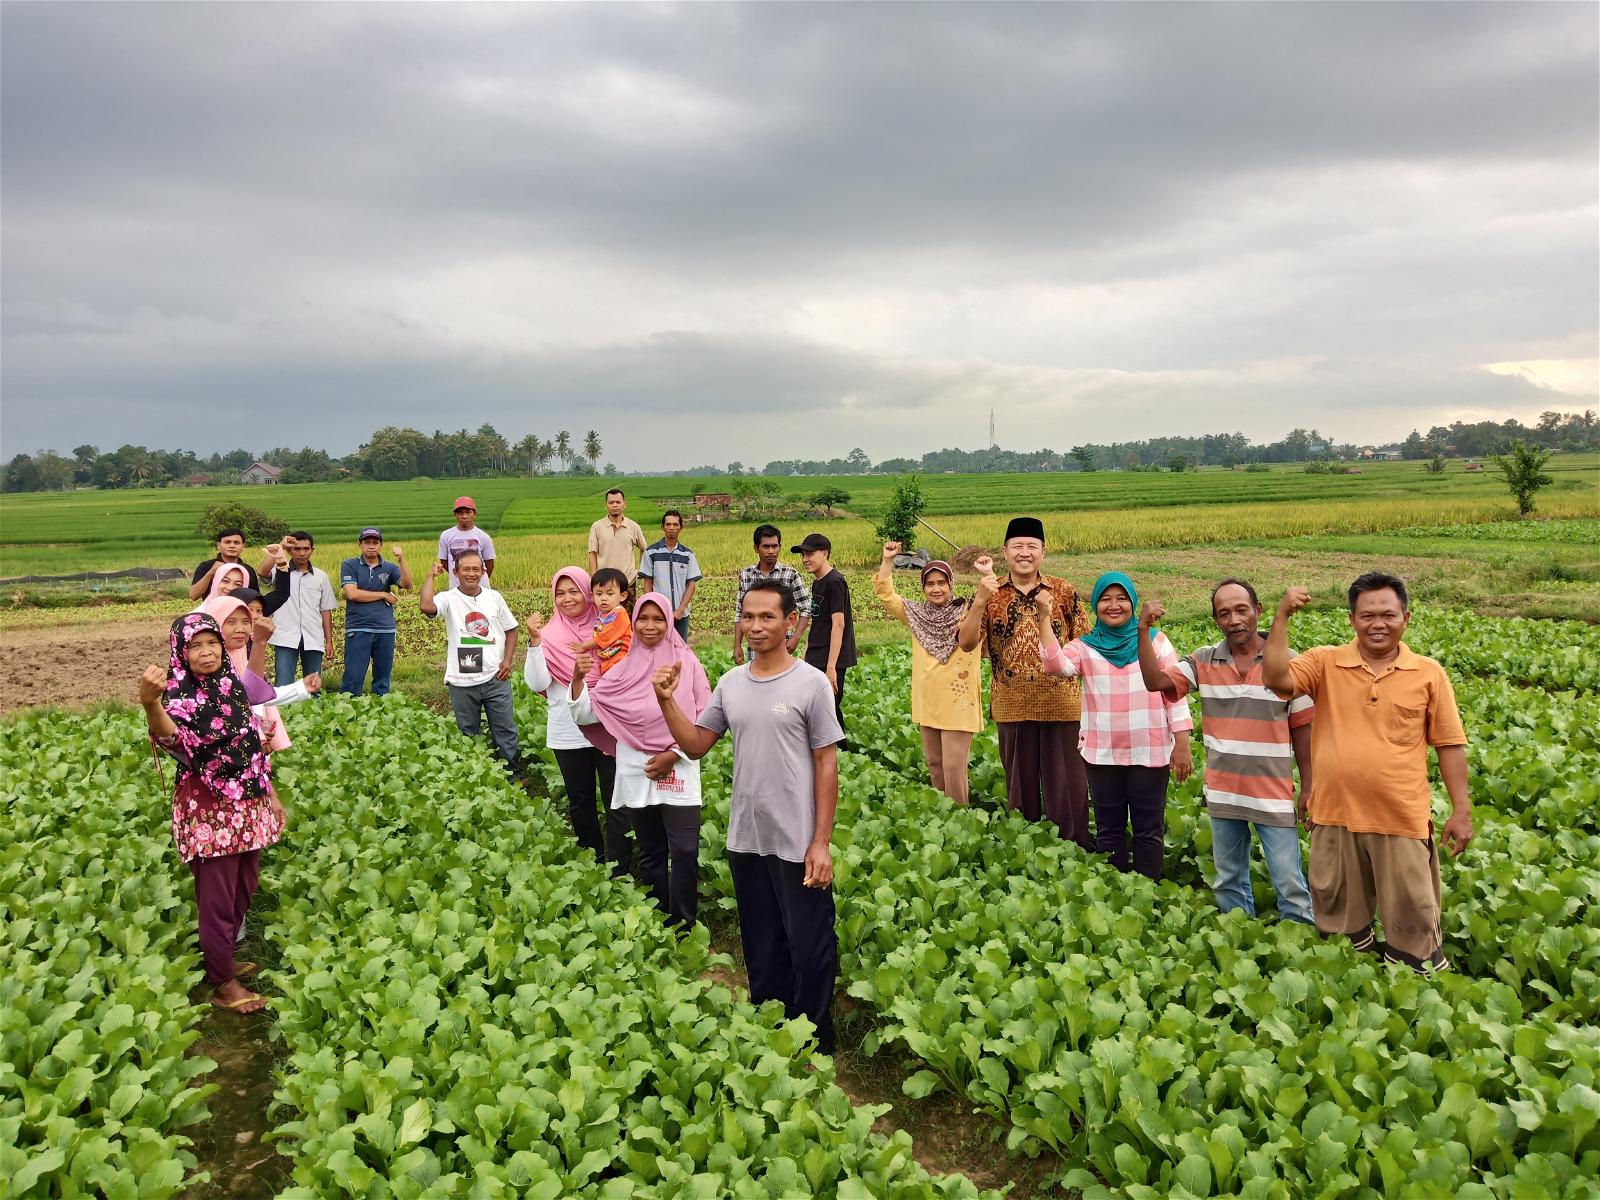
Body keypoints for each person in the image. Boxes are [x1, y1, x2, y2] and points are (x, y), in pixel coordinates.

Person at [654, 578, 843, 1054]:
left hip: (796, 838)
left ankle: (815, 1035)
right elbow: (696, 745)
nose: (755, 627)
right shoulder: (731, 683)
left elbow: (827, 763)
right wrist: (665, 701)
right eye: (749, 617)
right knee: (760, 937)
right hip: (746, 837)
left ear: (790, 624)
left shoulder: (811, 684)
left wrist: (820, 841)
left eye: (767, 617)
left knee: (809, 941)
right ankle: (771, 1019)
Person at [1264, 572, 1472, 973]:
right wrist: (1282, 617)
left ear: (1406, 619)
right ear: (1352, 620)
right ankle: (1350, 990)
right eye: (1367, 615)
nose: (1378, 624)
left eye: (1388, 615)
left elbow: (1449, 745)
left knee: (1413, 914)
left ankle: (1411, 986)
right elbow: (1275, 678)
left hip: (1400, 817)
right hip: (1335, 815)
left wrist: (1460, 811)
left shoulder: (1428, 673)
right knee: (1337, 912)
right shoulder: (1326, 662)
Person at [1137, 579, 1316, 924]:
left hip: (1273, 793)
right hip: (1224, 791)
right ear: (1216, 620)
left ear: (1258, 611)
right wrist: (1143, 630)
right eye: (1224, 613)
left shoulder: (1288, 663)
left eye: (1241, 610)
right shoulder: (1204, 661)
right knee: (1229, 880)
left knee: (1289, 882)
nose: (1233, 619)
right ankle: (1239, 938)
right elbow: (1156, 682)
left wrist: (1309, 785)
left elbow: (1304, 729)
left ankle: (1300, 938)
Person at [139, 613, 283, 1013]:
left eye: (212, 643)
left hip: (247, 806)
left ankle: (222, 958)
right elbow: (170, 738)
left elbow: (250, 743)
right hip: (209, 811)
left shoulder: (229, 686)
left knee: (244, 887)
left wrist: (268, 791)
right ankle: (223, 984)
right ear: (180, 653)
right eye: (195, 646)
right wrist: (150, 702)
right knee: (218, 900)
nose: (206, 653)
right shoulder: (177, 696)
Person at [1036, 573, 1193, 880]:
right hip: (1103, 754)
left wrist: (1182, 743)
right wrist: (1044, 618)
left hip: (1150, 752)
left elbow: (1174, 694)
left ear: (1133, 603)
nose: (1114, 605)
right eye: (1106, 599)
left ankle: (1149, 891)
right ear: (1096, 605)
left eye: (1122, 598)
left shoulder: (1155, 642)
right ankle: (1116, 891)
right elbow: (1055, 666)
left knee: (1149, 830)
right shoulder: (1085, 647)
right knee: (1109, 830)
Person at [568, 592, 711, 928]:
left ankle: (685, 923)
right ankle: (662, 918)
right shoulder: (622, 667)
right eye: (643, 619)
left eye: (658, 618)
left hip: (679, 769)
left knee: (685, 850)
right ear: (633, 623)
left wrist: (673, 754)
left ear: (669, 621)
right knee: (650, 852)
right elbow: (588, 712)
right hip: (638, 771)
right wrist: (577, 678)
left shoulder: (685, 663)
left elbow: (705, 717)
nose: (650, 626)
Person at [956, 517, 1094, 847]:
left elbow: (1086, 644)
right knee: (1021, 789)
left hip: (1062, 706)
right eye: (1017, 546)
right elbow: (965, 642)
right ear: (1005, 552)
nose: (1025, 553)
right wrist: (978, 601)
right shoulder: (990, 592)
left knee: (1069, 792)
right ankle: (1027, 851)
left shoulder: (1063, 591)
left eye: (1032, 546)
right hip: (1011, 706)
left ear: (1043, 552)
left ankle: (1074, 850)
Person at [523, 568, 631, 872]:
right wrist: (534, 642)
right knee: (581, 802)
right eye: (560, 592)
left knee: (617, 800)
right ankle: (592, 863)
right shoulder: (549, 635)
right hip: (567, 730)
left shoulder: (611, 628)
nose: (567, 598)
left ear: (588, 592)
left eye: (574, 591)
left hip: (610, 725)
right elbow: (536, 683)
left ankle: (621, 867)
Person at [872, 541, 983, 804]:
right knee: (934, 764)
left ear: (950, 585)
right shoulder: (916, 614)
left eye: (941, 583)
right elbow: (886, 594)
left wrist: (986, 576)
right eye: (930, 584)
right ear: (923, 588)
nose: (936, 589)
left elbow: (988, 603)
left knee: (954, 768)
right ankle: (942, 816)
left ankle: (961, 822)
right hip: (928, 700)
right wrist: (888, 560)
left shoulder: (966, 613)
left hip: (958, 700)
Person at [420, 550, 520, 774]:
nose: (472, 573)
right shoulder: (448, 598)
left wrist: (507, 661)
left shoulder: (494, 597)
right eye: (466, 569)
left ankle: (512, 774)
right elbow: (427, 607)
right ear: (456, 572)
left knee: (505, 729)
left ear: (484, 572)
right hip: (462, 679)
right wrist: (430, 577)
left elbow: (511, 629)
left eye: (477, 569)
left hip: (495, 675)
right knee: (469, 732)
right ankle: (477, 775)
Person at [339, 528, 411, 696]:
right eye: (367, 542)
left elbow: (407, 585)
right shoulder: (349, 565)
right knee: (353, 677)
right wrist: (384, 594)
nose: (371, 546)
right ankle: (347, 711)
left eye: (375, 543)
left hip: (385, 629)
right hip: (358, 628)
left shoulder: (390, 568)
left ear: (381, 545)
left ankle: (380, 712)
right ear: (360, 544)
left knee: (382, 679)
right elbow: (352, 593)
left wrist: (402, 560)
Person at [795, 533, 855, 734]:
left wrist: (832, 668)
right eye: (803, 554)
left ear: (825, 553)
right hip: (817, 652)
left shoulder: (835, 581)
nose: (805, 559)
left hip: (832, 655)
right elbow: (818, 621)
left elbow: (839, 624)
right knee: (819, 705)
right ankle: (836, 747)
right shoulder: (817, 582)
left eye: (810, 554)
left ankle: (840, 749)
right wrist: (806, 652)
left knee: (828, 705)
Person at [262, 531, 335, 688]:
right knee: (283, 684)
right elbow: (262, 572)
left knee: (313, 685)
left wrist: (329, 641)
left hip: (313, 635)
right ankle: (283, 712)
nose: (302, 553)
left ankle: (314, 712)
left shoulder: (321, 577)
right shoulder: (280, 570)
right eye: (297, 549)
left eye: (306, 549)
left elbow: (326, 610)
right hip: (285, 635)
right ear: (289, 551)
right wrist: (280, 547)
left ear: (312, 550)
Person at [733, 525, 809, 664]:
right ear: (756, 548)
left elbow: (805, 608)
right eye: (766, 547)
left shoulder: (790, 574)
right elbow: (740, 612)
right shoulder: (746, 575)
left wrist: (796, 637)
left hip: (783, 646)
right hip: (754, 646)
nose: (771, 551)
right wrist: (737, 645)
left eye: (775, 546)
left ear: (780, 546)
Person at [640, 509, 703, 642]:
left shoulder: (687, 555)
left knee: (680, 649)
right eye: (668, 524)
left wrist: (680, 610)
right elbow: (647, 582)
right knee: (658, 647)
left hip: (681, 614)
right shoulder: (651, 553)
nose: (672, 528)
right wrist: (652, 607)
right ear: (662, 527)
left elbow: (691, 585)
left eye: (675, 524)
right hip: (658, 613)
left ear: (681, 528)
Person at [574, 568, 633, 675]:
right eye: (599, 594)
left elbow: (605, 636)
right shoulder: (603, 613)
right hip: (608, 659)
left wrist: (584, 646)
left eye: (610, 594)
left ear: (622, 596)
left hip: (620, 659)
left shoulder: (619, 614)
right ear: (592, 596)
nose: (604, 598)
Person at [588, 488, 648, 583]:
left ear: (624, 504)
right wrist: (593, 578)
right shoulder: (597, 527)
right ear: (605, 505)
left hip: (628, 582)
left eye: (618, 502)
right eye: (611, 502)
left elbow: (644, 549)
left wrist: (641, 572)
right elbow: (592, 553)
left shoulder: (633, 526)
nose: (615, 505)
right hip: (604, 583)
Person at [436, 497, 496, 589]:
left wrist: (477, 578)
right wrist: (460, 576)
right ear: (455, 514)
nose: (464, 516)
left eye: (468, 512)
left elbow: (490, 564)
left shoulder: (484, 537)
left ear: (474, 514)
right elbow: (444, 562)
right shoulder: (446, 535)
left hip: (481, 587)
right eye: (460, 512)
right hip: (456, 587)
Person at [188, 528, 261, 601]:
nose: (232, 546)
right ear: (219, 545)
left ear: (243, 546)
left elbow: (255, 599)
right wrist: (211, 572)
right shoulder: (206, 566)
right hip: (211, 610)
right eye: (227, 542)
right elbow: (193, 595)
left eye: (236, 543)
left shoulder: (248, 570)